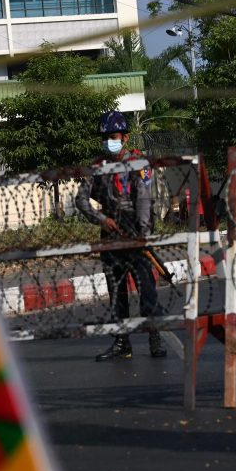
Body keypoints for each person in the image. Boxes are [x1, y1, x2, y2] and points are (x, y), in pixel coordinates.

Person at [75, 110, 166, 361]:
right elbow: (81, 200)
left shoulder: (139, 162)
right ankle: (121, 342)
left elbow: (145, 200)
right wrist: (103, 219)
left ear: (124, 137)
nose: (109, 141)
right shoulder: (97, 167)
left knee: (146, 288)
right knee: (116, 291)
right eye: (105, 137)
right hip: (111, 234)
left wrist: (143, 235)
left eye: (113, 136)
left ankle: (154, 338)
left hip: (136, 231)